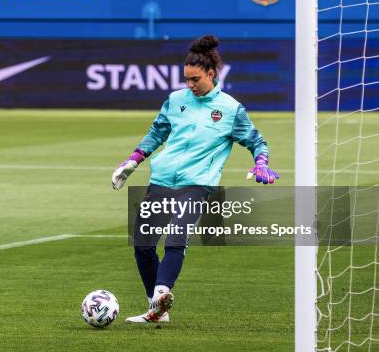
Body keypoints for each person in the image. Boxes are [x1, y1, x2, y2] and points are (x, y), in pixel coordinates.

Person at [111, 35, 279, 324]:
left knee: (177, 236)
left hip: (197, 183)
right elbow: (157, 133)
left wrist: (261, 163)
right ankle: (156, 308)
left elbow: (256, 142)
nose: (189, 85)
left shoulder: (231, 109)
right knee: (143, 244)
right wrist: (132, 161)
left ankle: (162, 295)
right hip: (163, 179)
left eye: (195, 79)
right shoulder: (175, 100)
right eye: (186, 79)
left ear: (211, 74)